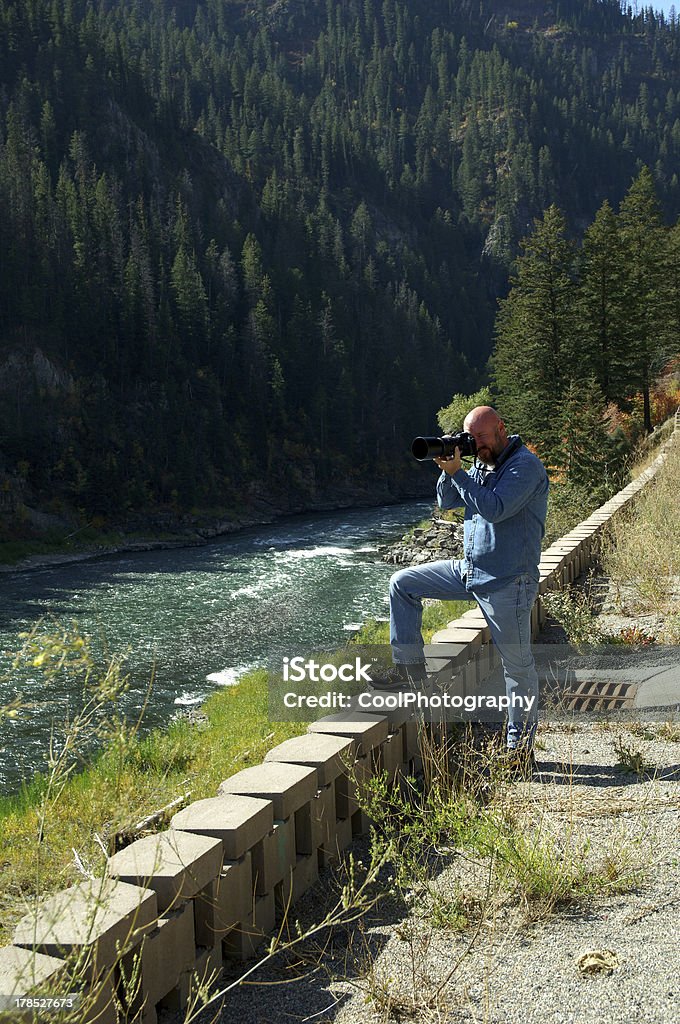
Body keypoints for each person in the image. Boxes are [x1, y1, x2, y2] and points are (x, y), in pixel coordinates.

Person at [373, 406, 549, 759]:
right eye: (471, 438)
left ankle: (519, 748)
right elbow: (447, 501)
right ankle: (409, 671)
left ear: (501, 429)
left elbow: (497, 508)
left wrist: (461, 473)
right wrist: (447, 467)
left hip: (507, 581)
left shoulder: (524, 466)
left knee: (517, 667)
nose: (477, 444)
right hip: (471, 570)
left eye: (481, 437)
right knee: (402, 583)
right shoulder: (481, 463)